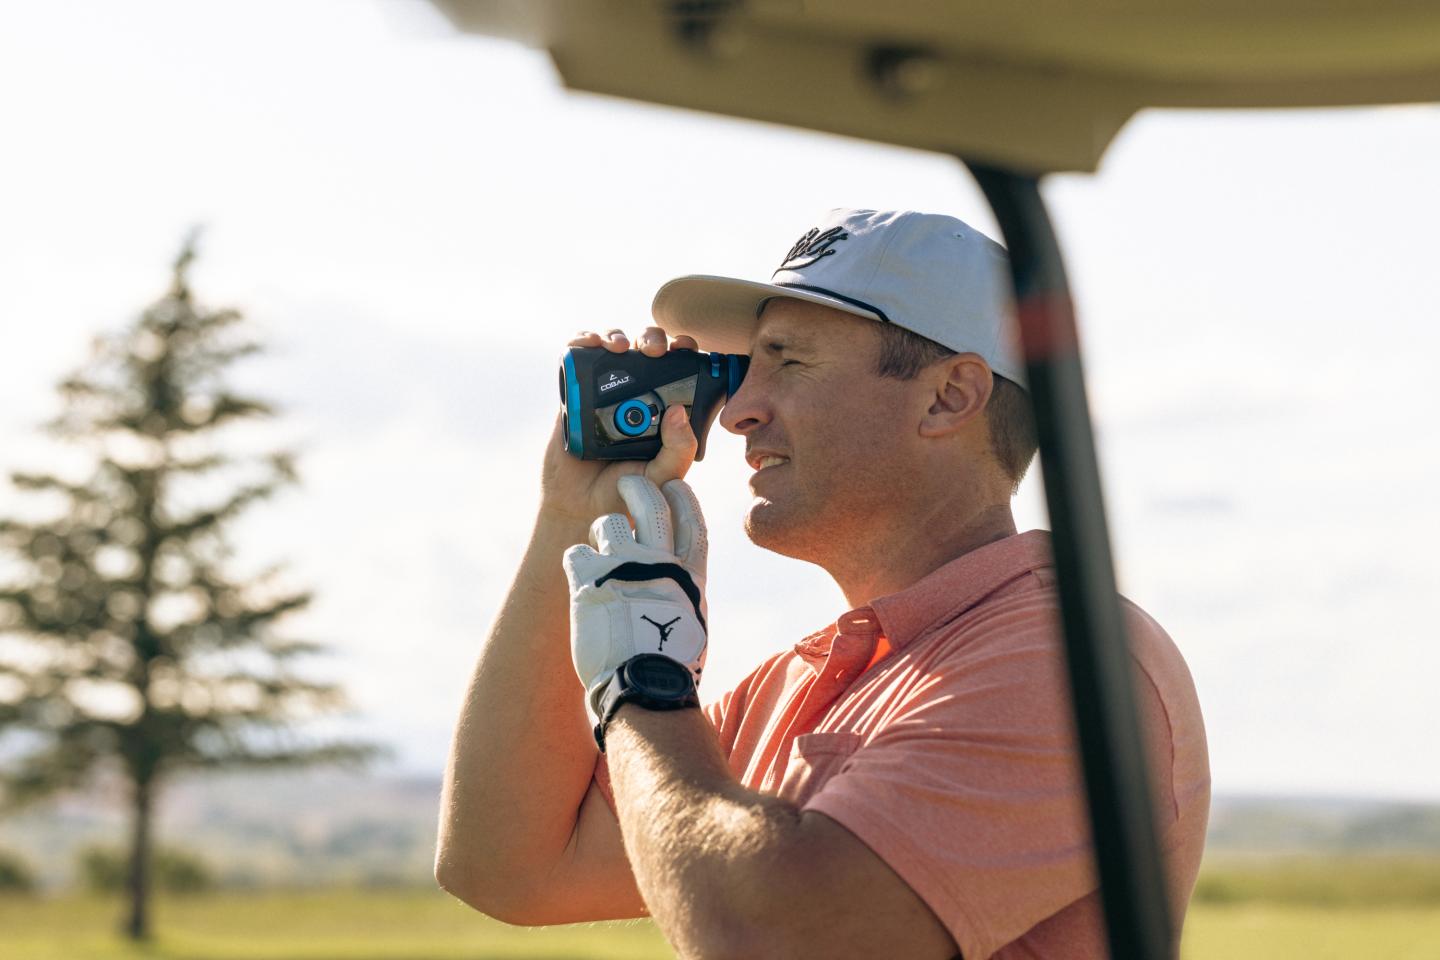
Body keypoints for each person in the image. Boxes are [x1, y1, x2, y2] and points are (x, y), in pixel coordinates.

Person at [435, 209, 1210, 960]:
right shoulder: (804, 682)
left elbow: (773, 939)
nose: (736, 412)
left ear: (949, 396)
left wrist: (643, 683)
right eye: (747, 368)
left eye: (789, 361)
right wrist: (572, 513)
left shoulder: (1064, 664)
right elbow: (505, 866)